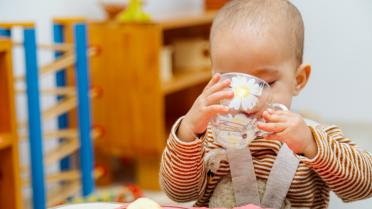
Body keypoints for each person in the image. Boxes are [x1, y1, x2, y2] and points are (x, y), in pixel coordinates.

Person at [160, 0, 372, 208]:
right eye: (232, 82)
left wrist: (311, 145)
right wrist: (187, 132)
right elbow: (178, 193)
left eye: (266, 83)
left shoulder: (316, 137)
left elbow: (363, 186)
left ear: (298, 80)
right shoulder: (209, 140)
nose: (247, 100)